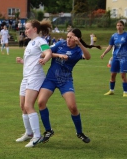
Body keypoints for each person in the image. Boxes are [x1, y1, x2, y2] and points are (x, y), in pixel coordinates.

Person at [38, 28, 100, 144]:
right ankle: (48, 130)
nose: (68, 39)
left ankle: (79, 132)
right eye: (67, 37)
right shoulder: (60, 44)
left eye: (71, 37)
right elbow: (46, 53)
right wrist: (59, 55)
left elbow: (88, 57)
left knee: (73, 107)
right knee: (41, 102)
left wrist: (80, 44)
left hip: (65, 81)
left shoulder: (77, 50)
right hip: (51, 79)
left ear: (77, 39)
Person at [15, 19, 52, 148]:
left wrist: (45, 60)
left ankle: (37, 136)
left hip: (35, 77)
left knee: (28, 105)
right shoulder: (30, 43)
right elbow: (32, 61)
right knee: (22, 106)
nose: (25, 30)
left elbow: (48, 53)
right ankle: (29, 133)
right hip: (26, 77)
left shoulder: (40, 41)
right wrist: (22, 62)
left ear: (35, 29)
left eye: (27, 28)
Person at [100, 20, 127, 97]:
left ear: (123, 26)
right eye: (118, 25)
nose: (119, 27)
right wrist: (104, 53)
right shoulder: (114, 36)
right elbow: (110, 46)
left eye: (120, 25)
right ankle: (111, 90)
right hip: (115, 57)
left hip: (124, 57)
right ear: (116, 26)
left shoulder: (126, 35)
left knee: (123, 75)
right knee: (112, 74)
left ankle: (125, 92)